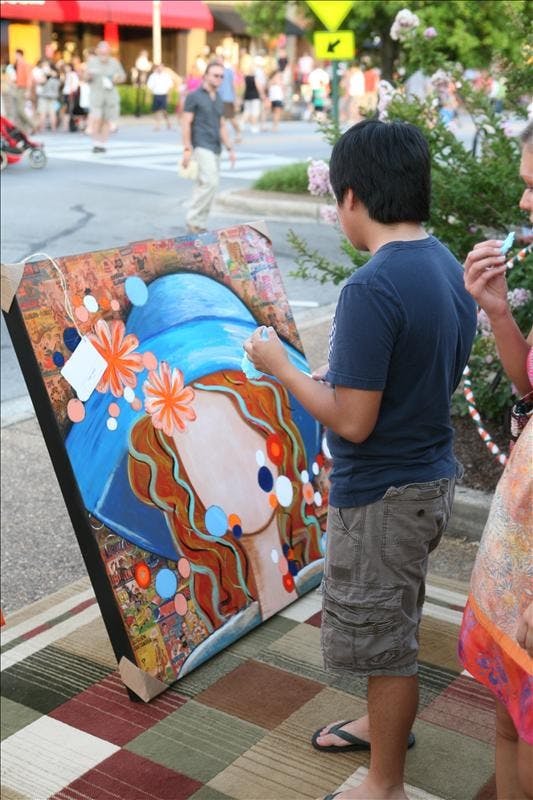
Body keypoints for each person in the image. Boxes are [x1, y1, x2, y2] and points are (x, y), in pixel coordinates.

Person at [244, 119, 477, 800]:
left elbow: (352, 418)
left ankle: (383, 783)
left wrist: (277, 367)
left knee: (384, 643)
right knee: (393, 615)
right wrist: (340, 373)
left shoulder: (371, 287)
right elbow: (424, 369)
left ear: (350, 197)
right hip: (427, 478)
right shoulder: (442, 262)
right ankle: (381, 727)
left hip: (380, 494)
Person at [458, 120, 533, 799]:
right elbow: (529, 389)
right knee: (511, 710)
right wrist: (497, 315)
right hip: (522, 530)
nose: (524, 206)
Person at [181, 61, 236, 234]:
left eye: (221, 76)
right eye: (215, 75)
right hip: (201, 145)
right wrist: (187, 148)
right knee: (210, 182)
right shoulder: (194, 96)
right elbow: (186, 123)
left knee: (206, 185)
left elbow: (221, 125)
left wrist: (230, 148)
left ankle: (200, 223)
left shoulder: (219, 98)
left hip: (216, 146)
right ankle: (193, 219)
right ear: (205, 76)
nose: (219, 78)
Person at [86, 41, 125, 153]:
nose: (103, 54)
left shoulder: (114, 62)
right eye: (101, 52)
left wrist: (117, 79)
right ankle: (95, 142)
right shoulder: (92, 62)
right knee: (96, 118)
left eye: (106, 52)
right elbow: (85, 77)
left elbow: (122, 76)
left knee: (106, 120)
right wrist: (88, 76)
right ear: (98, 52)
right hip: (96, 95)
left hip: (110, 95)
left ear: (109, 52)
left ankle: (101, 144)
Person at [218, 53, 241, 144]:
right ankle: (222, 137)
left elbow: (233, 85)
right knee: (220, 119)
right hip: (218, 98)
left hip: (228, 98)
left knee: (231, 118)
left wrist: (235, 98)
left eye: (220, 60)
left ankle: (238, 132)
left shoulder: (228, 71)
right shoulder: (215, 72)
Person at [146, 63, 174, 131]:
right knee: (156, 111)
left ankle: (168, 122)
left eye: (161, 67)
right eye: (158, 67)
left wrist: (169, 96)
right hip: (156, 94)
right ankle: (157, 125)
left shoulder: (166, 76)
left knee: (164, 111)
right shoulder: (153, 76)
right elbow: (149, 87)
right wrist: (148, 96)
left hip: (163, 94)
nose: (160, 69)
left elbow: (170, 87)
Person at [13, 49, 34, 132]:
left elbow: (29, 78)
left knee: (20, 110)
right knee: (18, 110)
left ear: (19, 54)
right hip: (19, 88)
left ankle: (33, 125)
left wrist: (28, 90)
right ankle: (24, 129)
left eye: (16, 54)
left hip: (23, 88)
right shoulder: (18, 64)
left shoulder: (24, 64)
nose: (15, 56)